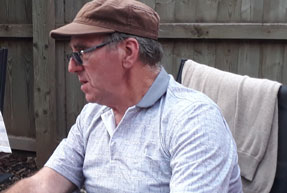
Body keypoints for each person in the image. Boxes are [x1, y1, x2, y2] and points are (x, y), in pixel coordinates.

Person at [5, 0, 243, 192]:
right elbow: (43, 184)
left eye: (81, 52)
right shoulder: (94, 114)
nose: (72, 67)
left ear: (128, 52)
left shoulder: (193, 121)